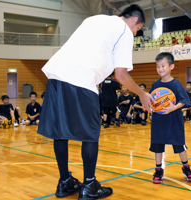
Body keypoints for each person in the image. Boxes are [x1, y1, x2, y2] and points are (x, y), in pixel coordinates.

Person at [37, 4, 153, 200]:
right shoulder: (124, 30)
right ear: (134, 20)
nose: (136, 33)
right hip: (82, 80)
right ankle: (89, 185)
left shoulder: (94, 19)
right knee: (91, 134)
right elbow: (121, 75)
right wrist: (142, 93)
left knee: (60, 132)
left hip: (56, 76)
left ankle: (65, 182)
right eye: (138, 28)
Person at [150, 52, 191, 184]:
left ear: (171, 66)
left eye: (163, 66)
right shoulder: (155, 84)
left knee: (180, 145)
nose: (160, 69)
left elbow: (185, 101)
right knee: (157, 146)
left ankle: (186, 167)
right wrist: (151, 107)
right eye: (158, 66)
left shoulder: (176, 84)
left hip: (174, 121)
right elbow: (153, 100)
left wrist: (173, 108)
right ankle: (158, 170)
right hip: (158, 121)